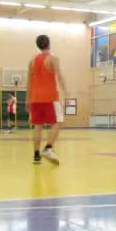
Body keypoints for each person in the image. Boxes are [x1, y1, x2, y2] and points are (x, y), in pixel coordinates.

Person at [27, 35, 68, 164]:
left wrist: (28, 99)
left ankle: (36, 156)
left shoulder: (32, 61)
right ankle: (48, 148)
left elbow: (28, 82)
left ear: (38, 45)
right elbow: (59, 76)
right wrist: (65, 90)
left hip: (35, 98)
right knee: (58, 122)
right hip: (50, 98)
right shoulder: (53, 59)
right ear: (49, 43)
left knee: (38, 126)